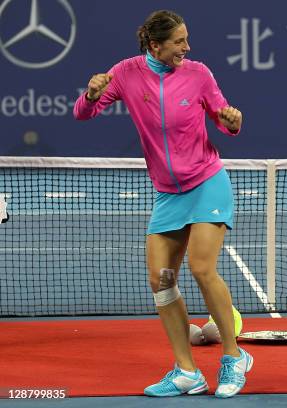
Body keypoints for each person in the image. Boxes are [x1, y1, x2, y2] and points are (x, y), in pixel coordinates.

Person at [73, 10, 252, 399]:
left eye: (187, 40)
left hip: (207, 182)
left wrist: (232, 120)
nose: (187, 48)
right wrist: (89, 94)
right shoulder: (125, 72)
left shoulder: (199, 74)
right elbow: (83, 113)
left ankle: (234, 357)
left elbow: (224, 121)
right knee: (161, 280)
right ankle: (187, 371)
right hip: (168, 192)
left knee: (202, 268)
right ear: (155, 45)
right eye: (179, 42)